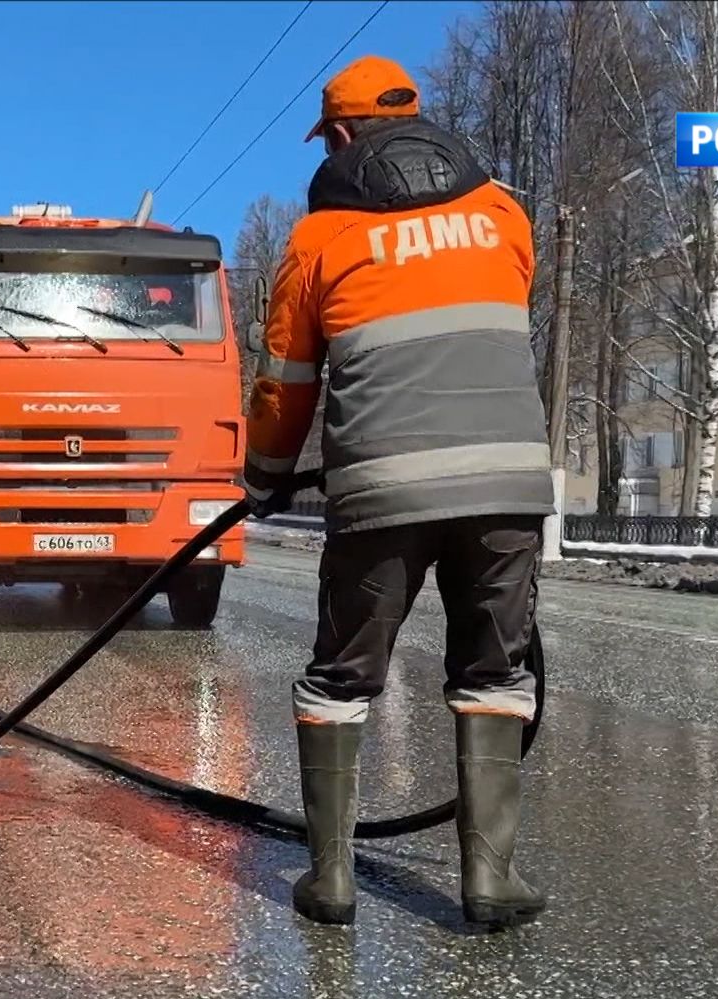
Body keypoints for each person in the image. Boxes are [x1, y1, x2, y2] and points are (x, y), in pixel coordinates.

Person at [244, 57, 554, 928]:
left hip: (380, 486)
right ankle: (490, 882)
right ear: (418, 117)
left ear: (339, 137)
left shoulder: (318, 240)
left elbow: (286, 384)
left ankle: (331, 882)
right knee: (494, 672)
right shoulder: (503, 213)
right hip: (505, 482)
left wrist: (265, 478)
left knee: (342, 675)